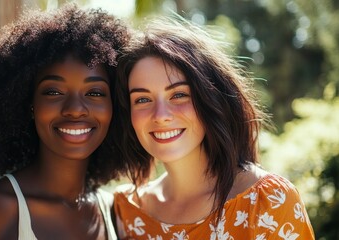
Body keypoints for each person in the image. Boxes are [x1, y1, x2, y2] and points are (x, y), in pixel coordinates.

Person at [112, 17, 315, 239]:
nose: (160, 116)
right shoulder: (128, 211)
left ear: (210, 98)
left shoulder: (270, 201)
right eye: (142, 99)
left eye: (179, 94)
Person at [0, 4, 130, 240]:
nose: (75, 109)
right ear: (28, 104)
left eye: (95, 93)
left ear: (116, 106)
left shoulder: (113, 213)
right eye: (53, 92)